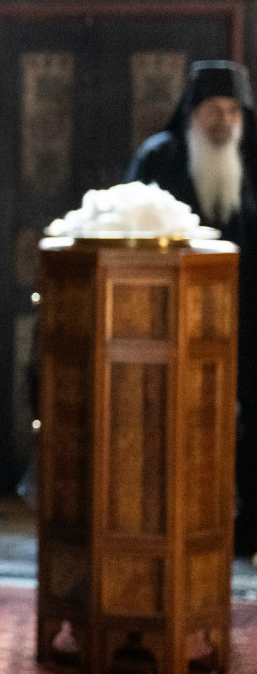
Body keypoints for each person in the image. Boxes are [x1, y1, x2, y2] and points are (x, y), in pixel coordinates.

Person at [126, 59, 257, 555]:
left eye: (232, 111)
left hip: (246, 323)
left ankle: (244, 532)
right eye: (213, 110)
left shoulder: (253, 156)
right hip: (175, 326)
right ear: (192, 113)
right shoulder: (159, 158)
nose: (224, 121)